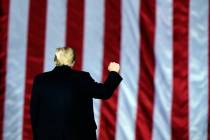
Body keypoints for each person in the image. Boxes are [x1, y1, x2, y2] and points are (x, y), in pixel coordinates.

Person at [30, 47, 122, 140]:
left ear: (55, 60)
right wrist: (113, 72)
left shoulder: (40, 80)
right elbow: (104, 92)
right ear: (73, 61)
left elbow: (34, 112)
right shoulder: (82, 78)